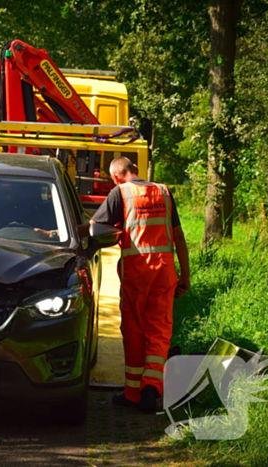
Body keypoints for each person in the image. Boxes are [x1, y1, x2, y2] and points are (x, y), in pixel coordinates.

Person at [81, 156, 190, 413]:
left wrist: (60, 235)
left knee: (134, 329)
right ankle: (151, 388)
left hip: (136, 273)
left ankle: (132, 394)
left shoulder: (120, 192)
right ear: (137, 170)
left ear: (115, 177)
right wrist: (185, 274)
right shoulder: (164, 191)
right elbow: (179, 236)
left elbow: (95, 228)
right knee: (160, 329)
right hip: (165, 272)